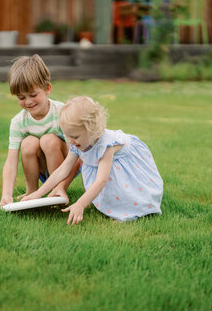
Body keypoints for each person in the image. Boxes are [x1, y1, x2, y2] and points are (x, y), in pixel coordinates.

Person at [22, 96, 163, 225]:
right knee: (108, 194)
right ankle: (112, 206)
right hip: (105, 162)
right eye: (67, 136)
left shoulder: (106, 145)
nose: (70, 141)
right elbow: (62, 170)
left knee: (125, 193)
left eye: (75, 137)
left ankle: (132, 211)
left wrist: (80, 204)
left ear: (92, 130)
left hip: (125, 165)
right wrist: (38, 193)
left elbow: (101, 180)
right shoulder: (77, 143)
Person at [0, 54, 79, 207]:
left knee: (48, 140)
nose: (28, 102)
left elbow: (76, 154)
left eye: (33, 95)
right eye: (21, 97)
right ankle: (32, 191)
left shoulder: (62, 113)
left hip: (66, 166)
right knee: (28, 142)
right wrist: (6, 194)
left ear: (47, 88)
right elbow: (11, 162)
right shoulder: (18, 122)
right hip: (43, 169)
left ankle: (56, 190)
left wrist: (62, 186)